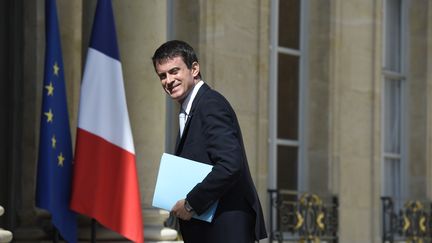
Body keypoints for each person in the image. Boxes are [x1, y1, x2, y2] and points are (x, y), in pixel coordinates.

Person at [152, 40, 267, 243]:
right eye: (163, 75)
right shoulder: (191, 108)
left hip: (225, 229)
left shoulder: (210, 104)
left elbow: (230, 164)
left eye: (174, 71)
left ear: (194, 69)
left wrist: (191, 204)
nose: (168, 80)